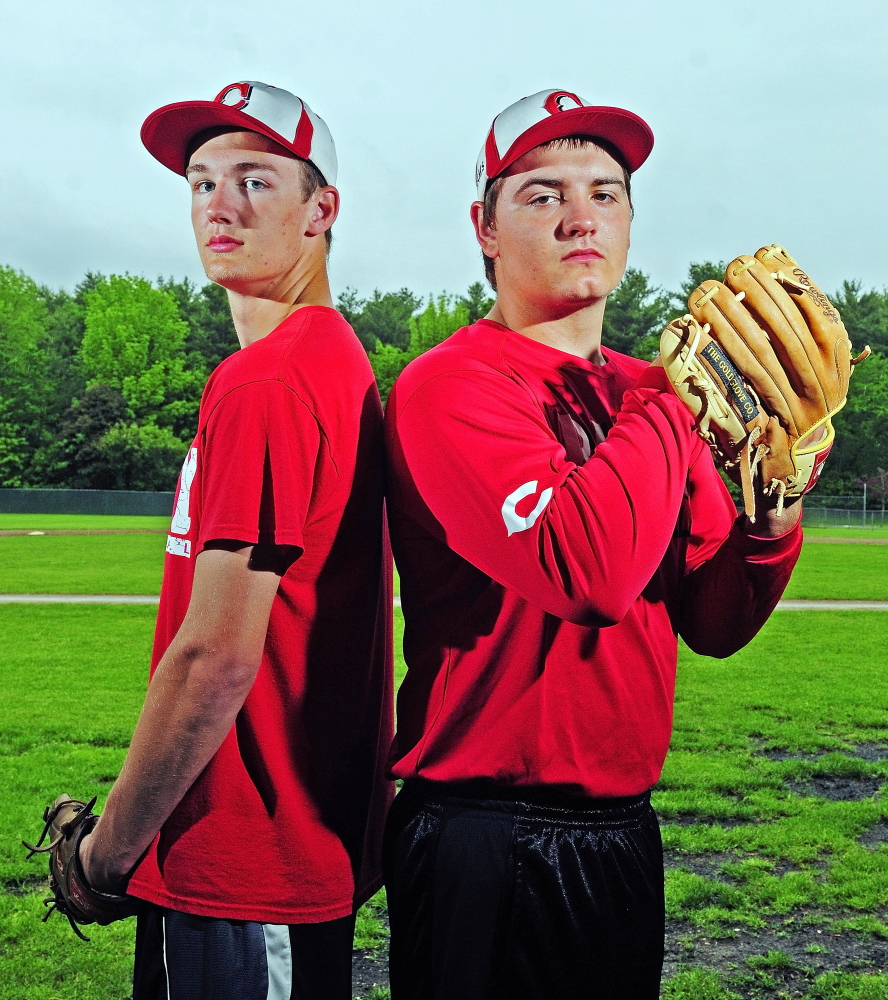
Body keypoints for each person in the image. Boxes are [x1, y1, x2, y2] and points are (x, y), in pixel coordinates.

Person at [382, 89, 802, 999]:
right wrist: (669, 404)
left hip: (621, 831)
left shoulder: (655, 391)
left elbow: (711, 617)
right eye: (542, 194)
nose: (582, 216)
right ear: (484, 227)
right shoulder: (449, 385)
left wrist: (773, 521)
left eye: (606, 193)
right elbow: (588, 575)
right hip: (484, 828)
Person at [77, 81, 393, 999]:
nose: (218, 204)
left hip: (243, 862)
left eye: (255, 181)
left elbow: (214, 659)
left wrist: (107, 855)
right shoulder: (334, 356)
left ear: (319, 210)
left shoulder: (269, 381)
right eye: (201, 181)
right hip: (292, 853)